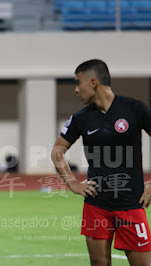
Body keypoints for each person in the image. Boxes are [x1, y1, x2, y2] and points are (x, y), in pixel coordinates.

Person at [51, 59, 151, 265]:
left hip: (131, 203)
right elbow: (57, 151)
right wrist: (72, 183)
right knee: (99, 263)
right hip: (96, 205)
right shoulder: (81, 118)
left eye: (79, 83)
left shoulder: (135, 109)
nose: (76, 90)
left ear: (93, 82)